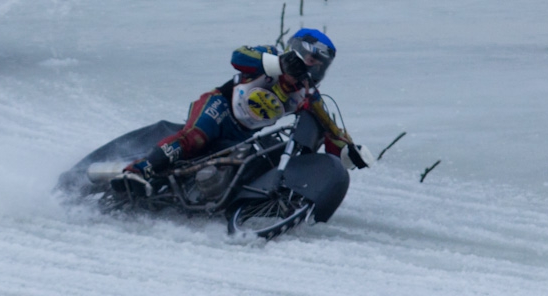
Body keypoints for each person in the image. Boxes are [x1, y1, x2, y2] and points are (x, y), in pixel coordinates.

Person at [112, 28, 375, 195]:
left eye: (320, 66)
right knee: (196, 137)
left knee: (243, 163)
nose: (314, 70)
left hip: (241, 136)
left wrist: (348, 152)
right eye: (311, 61)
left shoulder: (306, 94)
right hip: (219, 107)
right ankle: (137, 171)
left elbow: (328, 128)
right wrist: (279, 64)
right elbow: (238, 56)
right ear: (298, 50)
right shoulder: (271, 56)